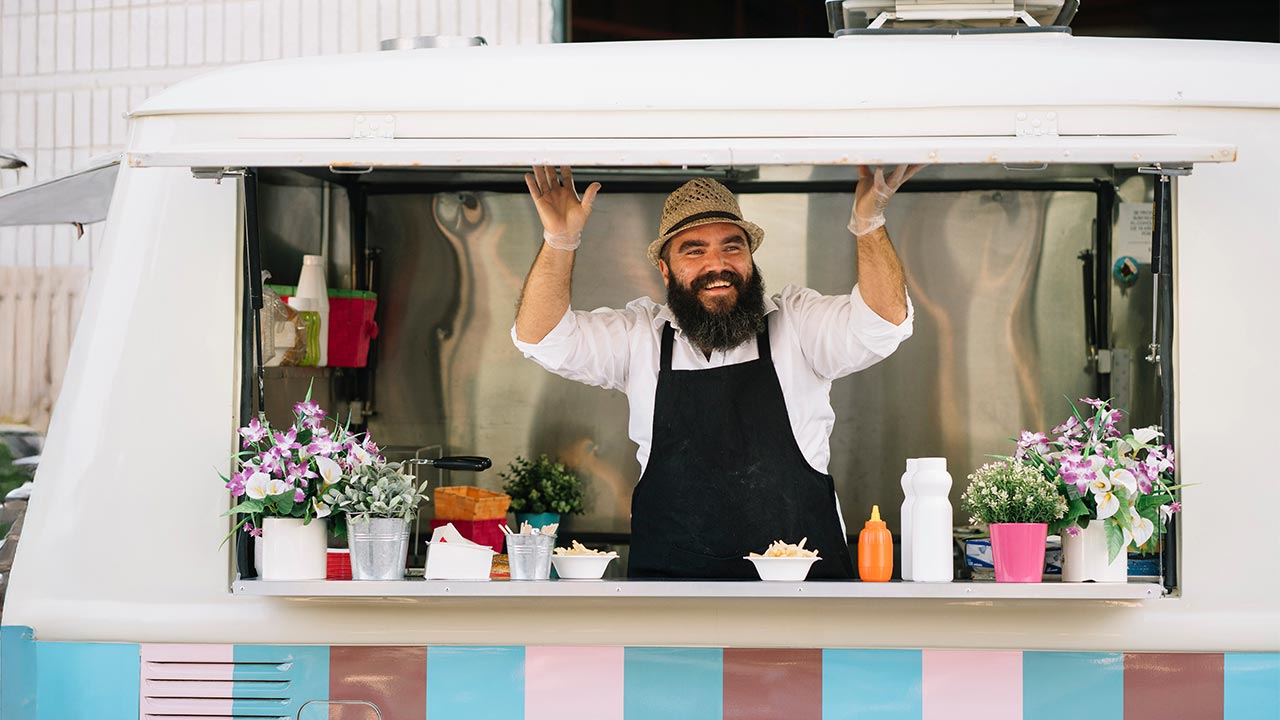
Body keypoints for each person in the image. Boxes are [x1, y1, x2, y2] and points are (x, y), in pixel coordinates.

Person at [512, 165, 920, 579]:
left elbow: (883, 324)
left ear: (751, 258)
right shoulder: (641, 337)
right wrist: (561, 241)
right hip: (670, 605)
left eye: (732, 247)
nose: (717, 264)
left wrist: (869, 223)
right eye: (694, 250)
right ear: (666, 270)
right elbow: (542, 339)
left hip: (801, 604)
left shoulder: (797, 325)